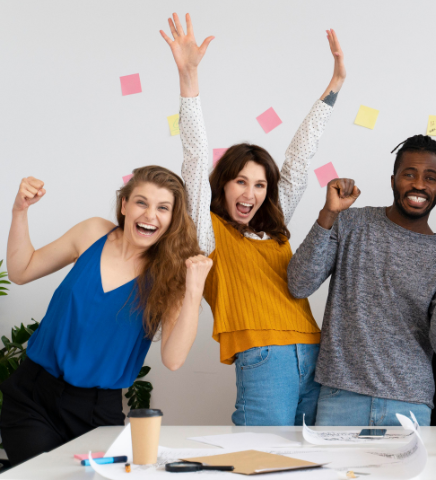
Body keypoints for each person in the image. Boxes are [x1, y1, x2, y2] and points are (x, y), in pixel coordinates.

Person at [161, 12, 345, 426]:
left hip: (315, 353)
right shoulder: (206, 233)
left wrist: (334, 87)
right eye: (240, 182)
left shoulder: (274, 229)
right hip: (264, 356)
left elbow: (298, 162)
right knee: (262, 461)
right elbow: (194, 159)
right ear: (222, 186)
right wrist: (188, 77)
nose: (251, 193)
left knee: (314, 465)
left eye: (260, 185)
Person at [1, 167, 210, 465]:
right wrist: (19, 211)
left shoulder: (171, 277)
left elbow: (173, 359)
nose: (150, 214)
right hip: (33, 395)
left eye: (163, 208)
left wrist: (193, 290)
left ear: (172, 219)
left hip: (96, 411)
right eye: (142, 202)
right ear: (124, 205)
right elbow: (21, 271)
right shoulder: (92, 233)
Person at [287, 135, 436, 427]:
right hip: (341, 396)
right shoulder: (350, 223)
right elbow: (299, 283)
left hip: (409, 404)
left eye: (430, 177)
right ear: (393, 180)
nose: (419, 185)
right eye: (409, 174)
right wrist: (328, 214)